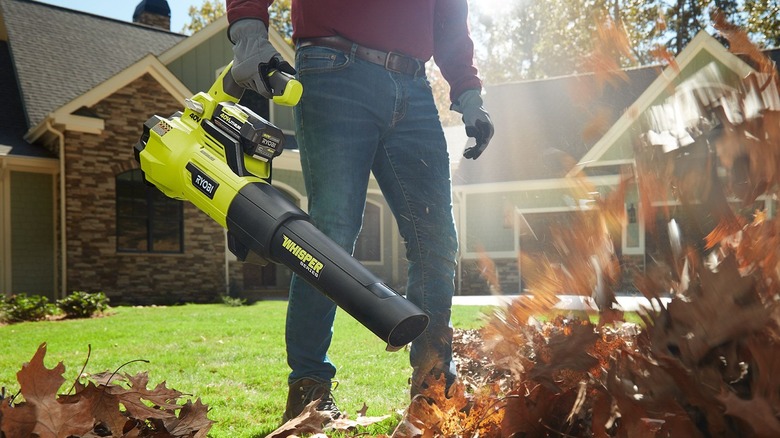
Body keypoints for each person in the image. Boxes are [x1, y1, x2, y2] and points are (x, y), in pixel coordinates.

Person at [225, 0, 494, 422]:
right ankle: (308, 391)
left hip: (414, 85)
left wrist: (469, 91)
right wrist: (249, 36)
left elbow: (449, 18)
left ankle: (433, 387)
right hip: (332, 66)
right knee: (330, 235)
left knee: (436, 238)